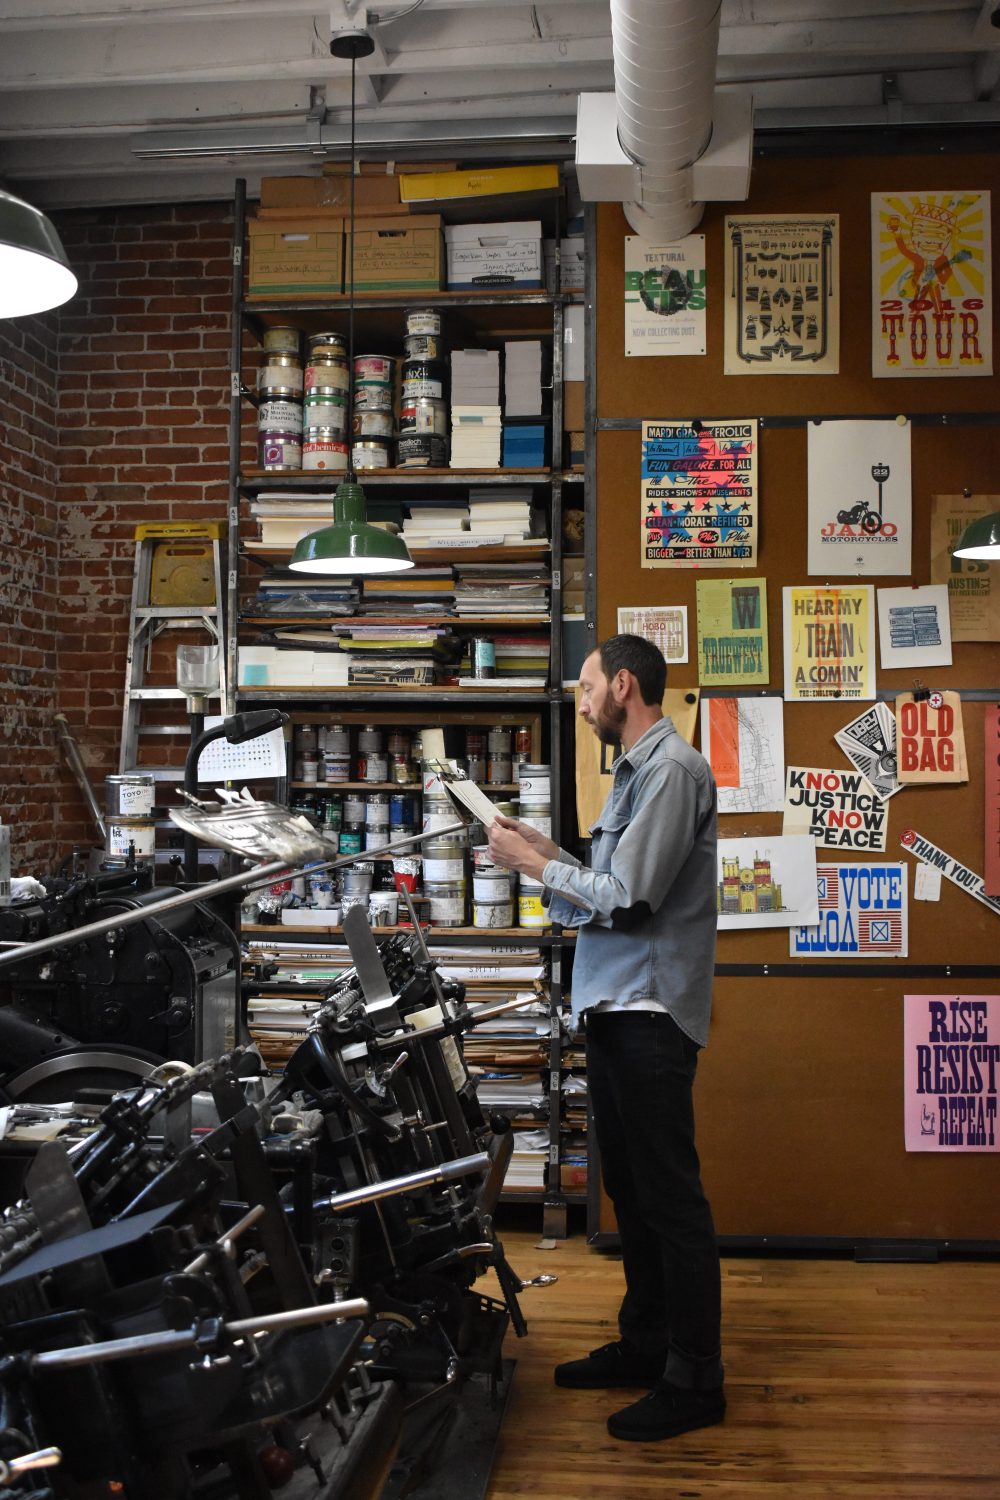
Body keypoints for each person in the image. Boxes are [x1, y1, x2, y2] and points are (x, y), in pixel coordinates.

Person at [488, 633, 724, 1443]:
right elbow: (603, 887)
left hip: (650, 1012)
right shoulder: (636, 774)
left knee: (671, 1204)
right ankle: (648, 1345)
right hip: (620, 1009)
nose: (581, 700)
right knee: (630, 1191)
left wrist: (535, 868)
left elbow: (628, 899)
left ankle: (696, 1381)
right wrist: (545, 851)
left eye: (587, 687)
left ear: (624, 685)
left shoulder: (670, 770)